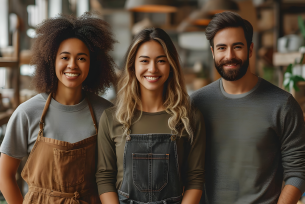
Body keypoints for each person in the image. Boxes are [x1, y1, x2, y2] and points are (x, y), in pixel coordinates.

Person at [0, 12, 116, 203]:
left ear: (92, 64)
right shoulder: (26, 113)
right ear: (51, 60)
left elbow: (112, 178)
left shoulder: (106, 113)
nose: (72, 65)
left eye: (81, 58)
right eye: (64, 57)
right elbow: (5, 176)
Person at [191, 11, 305, 204]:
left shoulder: (283, 105)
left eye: (237, 47)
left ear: (250, 49)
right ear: (212, 52)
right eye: (221, 48)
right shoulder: (196, 103)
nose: (229, 55)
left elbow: (298, 171)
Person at [96, 28, 206, 204]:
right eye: (144, 61)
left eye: (161, 61)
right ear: (133, 66)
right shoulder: (112, 118)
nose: (152, 69)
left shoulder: (190, 117)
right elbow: (104, 178)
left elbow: (195, 178)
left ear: (171, 66)